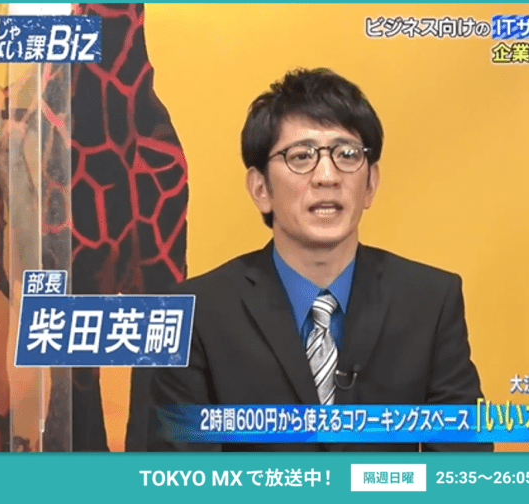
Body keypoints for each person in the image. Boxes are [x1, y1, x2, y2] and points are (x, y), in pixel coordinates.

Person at [129, 68, 490, 452]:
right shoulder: (195, 314)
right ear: (260, 188)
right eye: (301, 156)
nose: (327, 176)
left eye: (347, 155)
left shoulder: (430, 301)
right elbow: (182, 474)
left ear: (370, 184)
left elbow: (461, 466)